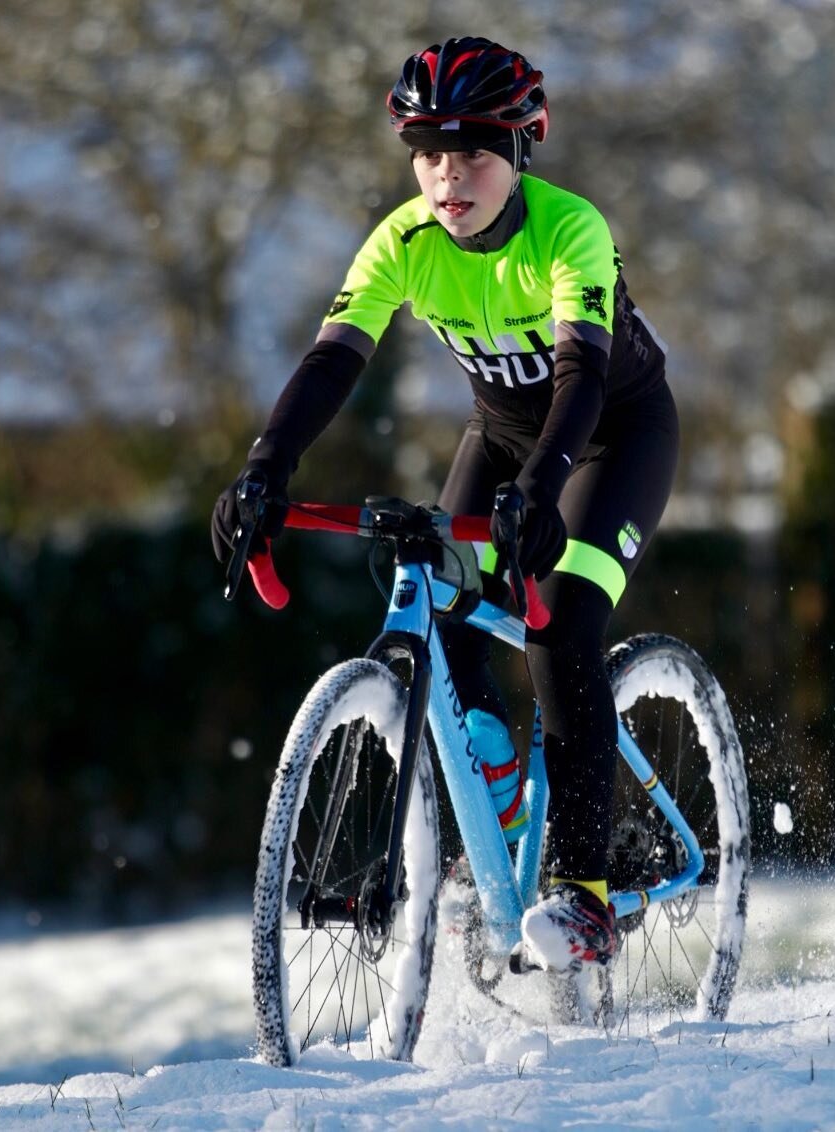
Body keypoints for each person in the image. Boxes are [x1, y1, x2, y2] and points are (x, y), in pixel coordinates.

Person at [212, 36, 679, 972]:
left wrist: (543, 488)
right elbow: (334, 357)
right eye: (427, 153)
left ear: (520, 151)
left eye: (471, 153)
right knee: (443, 606)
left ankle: (584, 892)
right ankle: (496, 786)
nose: (446, 176)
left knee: (561, 627)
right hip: (504, 439)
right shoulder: (404, 242)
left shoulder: (569, 228)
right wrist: (265, 467)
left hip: (612, 438)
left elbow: (584, 374)